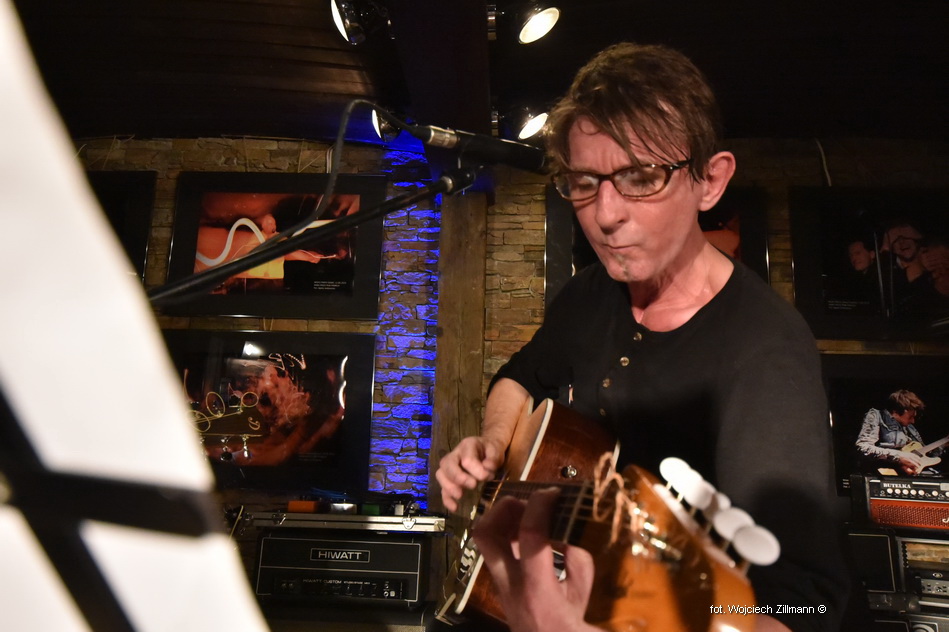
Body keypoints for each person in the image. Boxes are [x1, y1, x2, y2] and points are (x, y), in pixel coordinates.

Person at [435, 42, 848, 632]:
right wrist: (496, 449)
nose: (605, 214)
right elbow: (521, 377)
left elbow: (800, 607)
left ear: (710, 181)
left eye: (640, 177)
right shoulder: (589, 293)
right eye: (583, 181)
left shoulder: (765, 353)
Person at [855, 389, 942, 476]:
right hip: (880, 474)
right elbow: (863, 447)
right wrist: (899, 456)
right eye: (910, 417)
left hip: (906, 476)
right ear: (895, 412)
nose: (913, 421)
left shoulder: (910, 428)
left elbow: (925, 453)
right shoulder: (877, 416)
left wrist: (943, 445)